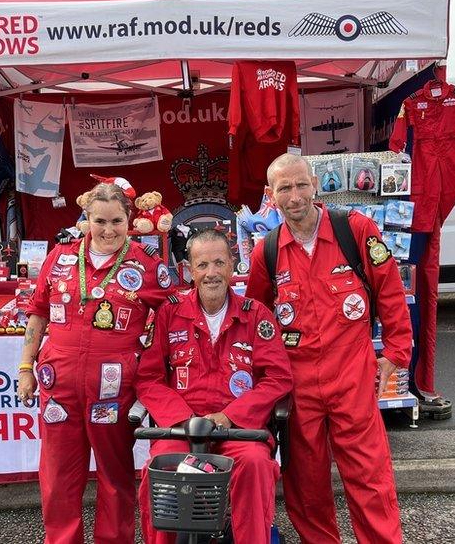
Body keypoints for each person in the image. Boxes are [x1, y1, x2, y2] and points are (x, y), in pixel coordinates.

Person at [246, 153, 413, 544]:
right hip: (299, 389)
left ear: (316, 184)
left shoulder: (354, 230)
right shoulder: (265, 253)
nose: (295, 195)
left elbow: (391, 294)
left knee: (370, 480)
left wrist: (395, 353)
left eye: (301, 184)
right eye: (284, 188)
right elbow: (256, 324)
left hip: (352, 379)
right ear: (270, 196)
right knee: (306, 489)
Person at [17, 182, 171, 544]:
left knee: (115, 479)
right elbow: (38, 313)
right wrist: (26, 368)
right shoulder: (60, 257)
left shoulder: (148, 264)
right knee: (57, 478)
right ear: (86, 219)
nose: (108, 230)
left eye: (117, 221)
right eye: (99, 220)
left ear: (129, 219)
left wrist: (150, 374)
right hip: (60, 386)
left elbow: (171, 321)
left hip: (115, 390)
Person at [136, 229, 293, 544]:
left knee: (254, 466)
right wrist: (183, 419)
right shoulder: (168, 314)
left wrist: (228, 416)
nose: (211, 273)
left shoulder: (256, 315)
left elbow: (278, 377)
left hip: (239, 432)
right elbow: (148, 378)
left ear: (232, 265)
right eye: (202, 264)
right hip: (180, 431)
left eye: (219, 263)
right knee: (161, 470)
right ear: (190, 270)